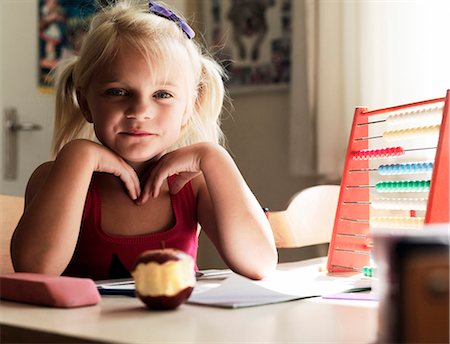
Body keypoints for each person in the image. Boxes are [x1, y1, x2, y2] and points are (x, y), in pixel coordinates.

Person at [11, 0, 277, 281]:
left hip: (178, 326)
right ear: (86, 103)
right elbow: (35, 269)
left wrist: (214, 157)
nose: (140, 111)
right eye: (117, 92)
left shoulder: (195, 185)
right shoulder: (54, 177)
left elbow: (259, 263)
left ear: (189, 108)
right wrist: (77, 156)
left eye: (162, 94)